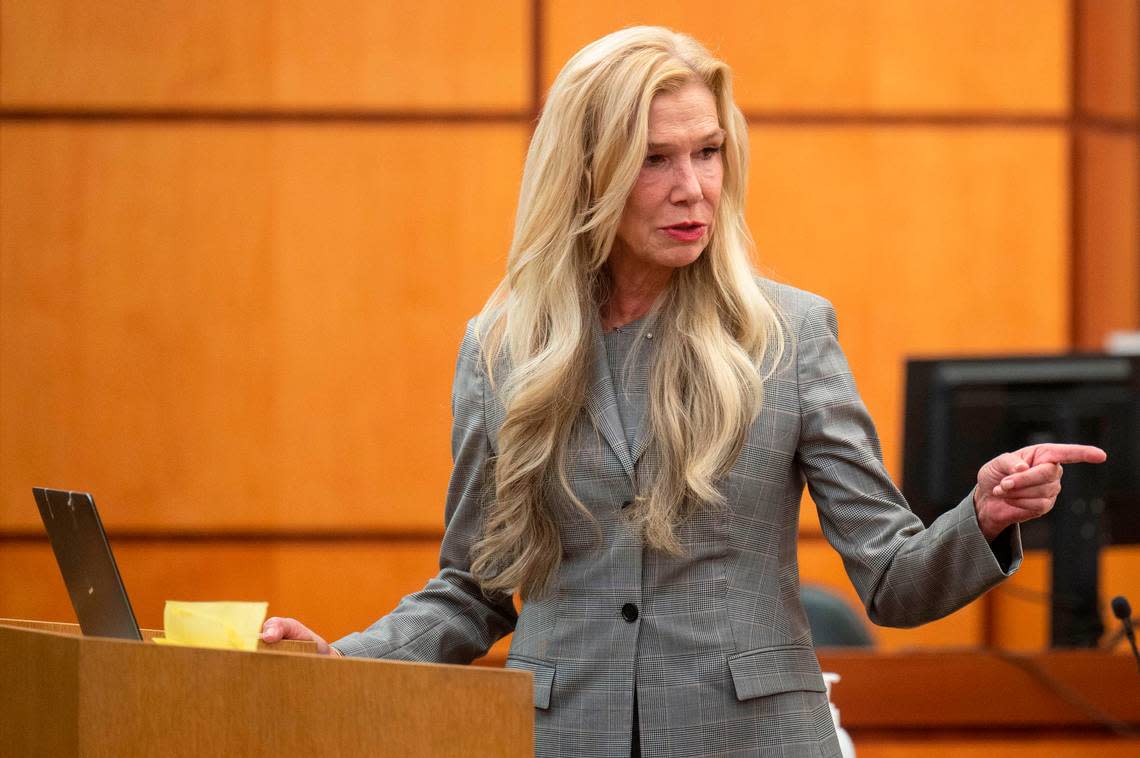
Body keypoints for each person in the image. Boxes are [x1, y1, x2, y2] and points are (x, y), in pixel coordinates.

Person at [261, 27, 1106, 757]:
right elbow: (475, 589)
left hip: (752, 742)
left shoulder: (789, 335)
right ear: (587, 174)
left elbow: (893, 580)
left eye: (708, 151)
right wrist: (346, 657)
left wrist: (985, 514)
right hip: (564, 738)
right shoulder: (505, 350)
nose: (693, 187)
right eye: (654, 160)